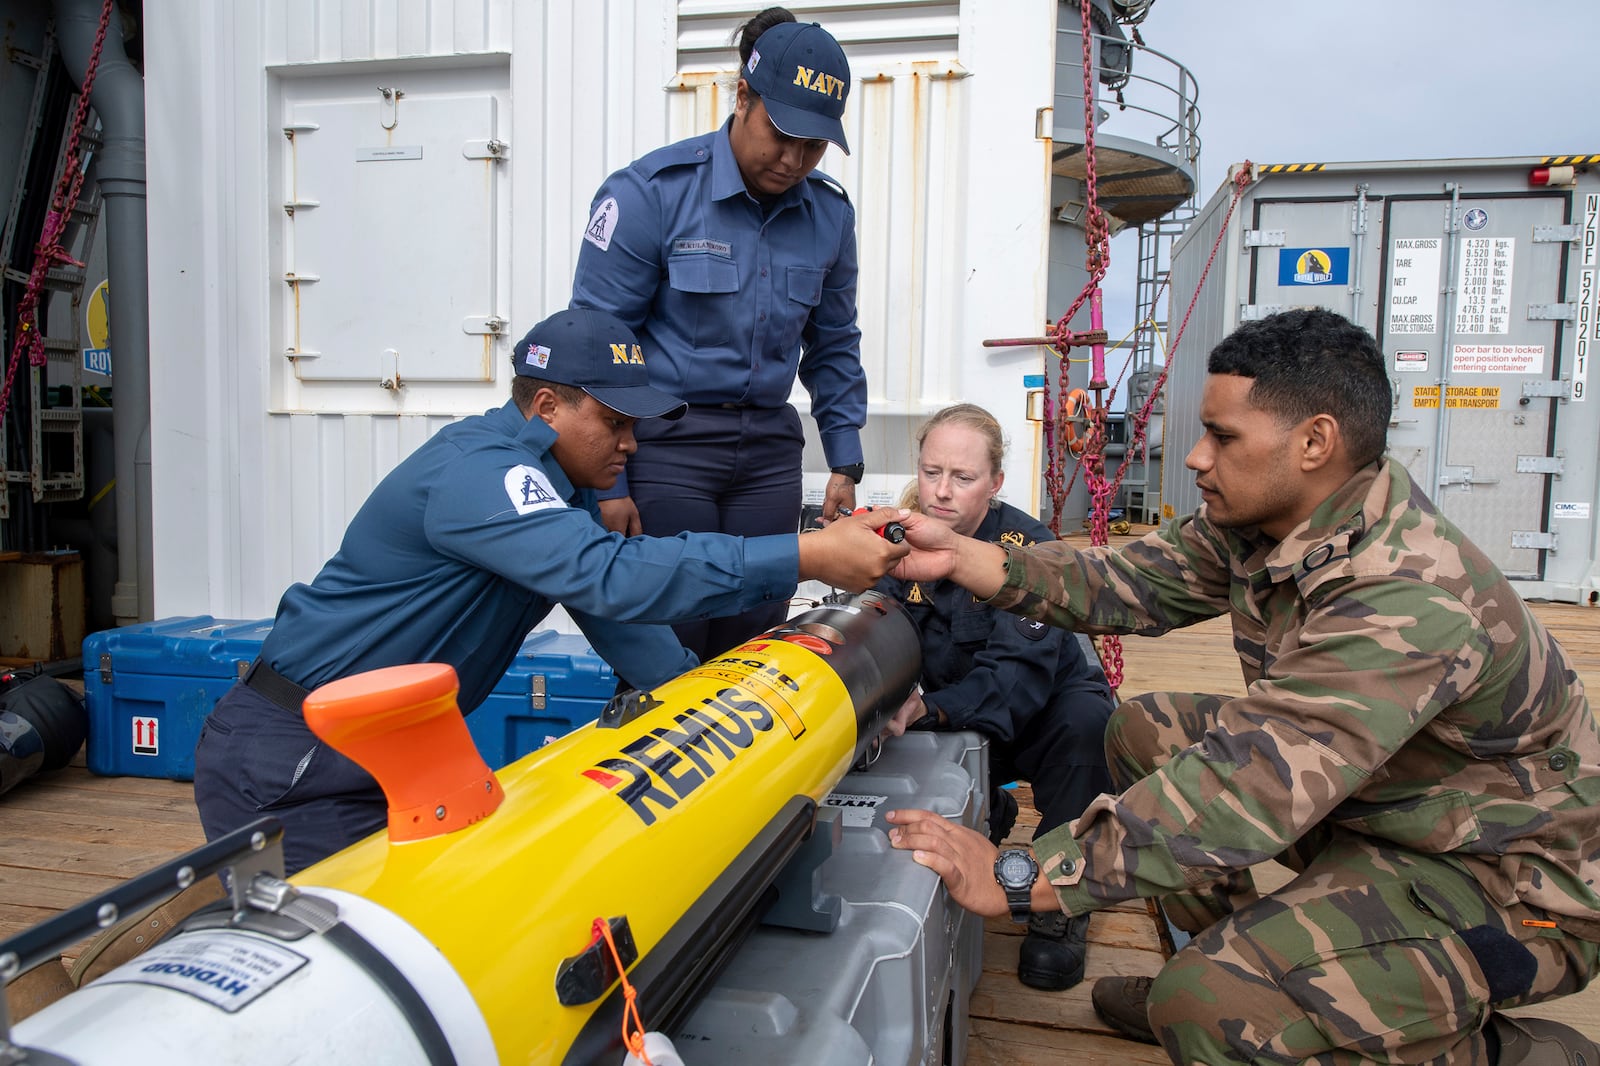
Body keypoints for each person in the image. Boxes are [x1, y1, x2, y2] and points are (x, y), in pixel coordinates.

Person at [883, 309, 1600, 1063]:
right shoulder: (1275, 521)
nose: (1194, 458)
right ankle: (1230, 962)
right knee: (1142, 731)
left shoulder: (1407, 597)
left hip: (1510, 880)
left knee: (1210, 1006)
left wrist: (1020, 873)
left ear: (1315, 442)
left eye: (1222, 437)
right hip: (1394, 809)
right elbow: (1122, 581)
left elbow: (1251, 784)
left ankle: (1505, 1051)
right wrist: (959, 556)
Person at [193, 308, 907, 876]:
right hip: (296, 755)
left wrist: (719, 714)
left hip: (396, 753)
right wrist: (806, 554)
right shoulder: (485, 473)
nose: (632, 445)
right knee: (338, 978)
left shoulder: (561, 490)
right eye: (616, 423)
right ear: (545, 408)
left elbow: (625, 623)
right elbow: (613, 575)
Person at [570, 7, 866, 663]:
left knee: (755, 646)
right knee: (669, 649)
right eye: (780, 135)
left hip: (765, 455)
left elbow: (834, 341)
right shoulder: (652, 195)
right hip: (665, 447)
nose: (793, 160)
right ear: (742, 98)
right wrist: (607, 488)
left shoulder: (829, 215)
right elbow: (595, 346)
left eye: (813, 146)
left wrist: (844, 456)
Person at [874, 403, 1114, 992]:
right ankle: (987, 811)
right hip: (956, 711)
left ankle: (1060, 903)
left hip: (1040, 711)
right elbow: (878, 631)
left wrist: (929, 709)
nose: (942, 492)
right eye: (932, 472)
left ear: (996, 483)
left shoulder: (1029, 550)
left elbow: (1015, 680)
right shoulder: (897, 544)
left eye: (963, 477)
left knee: (1089, 727)